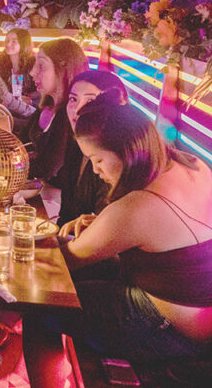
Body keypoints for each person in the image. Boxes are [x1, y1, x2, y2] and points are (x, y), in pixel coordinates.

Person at [60, 97, 212, 363]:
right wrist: (102, 225)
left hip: (171, 333)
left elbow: (63, 262)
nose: (95, 170)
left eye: (97, 159)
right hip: (200, 325)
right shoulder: (194, 164)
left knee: (45, 306)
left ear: (128, 153)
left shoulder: (135, 209)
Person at [55, 71, 129, 228]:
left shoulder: (116, 160)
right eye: (73, 99)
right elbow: (65, 216)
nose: (77, 110)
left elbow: (108, 231)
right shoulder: (74, 144)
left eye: (90, 100)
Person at [21, 38, 89, 181]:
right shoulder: (46, 106)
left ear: (63, 69)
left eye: (41, 65)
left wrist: (6, 165)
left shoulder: (70, 115)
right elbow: (20, 143)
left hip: (53, 198)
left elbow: (48, 169)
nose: (33, 72)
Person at [0, 28, 37, 101]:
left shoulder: (34, 62)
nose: (8, 44)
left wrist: (28, 97)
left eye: (14, 41)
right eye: (7, 41)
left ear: (23, 43)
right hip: (7, 106)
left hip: (30, 106)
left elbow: (41, 90)